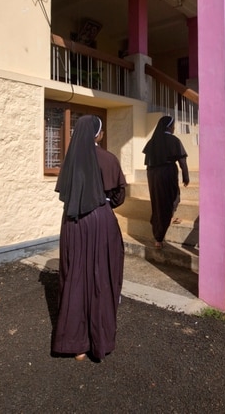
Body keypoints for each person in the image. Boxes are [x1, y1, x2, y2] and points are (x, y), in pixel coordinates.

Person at [52, 115, 125, 361]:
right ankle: (100, 341)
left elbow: (64, 193)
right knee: (101, 275)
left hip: (73, 222)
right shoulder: (109, 159)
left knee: (75, 276)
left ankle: (77, 345)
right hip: (101, 220)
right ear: (97, 134)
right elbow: (118, 196)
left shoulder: (70, 160)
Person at [142, 115, 190, 248]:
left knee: (157, 201)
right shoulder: (174, 140)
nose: (174, 128)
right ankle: (160, 236)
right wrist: (186, 177)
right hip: (167, 173)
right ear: (169, 127)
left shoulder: (152, 141)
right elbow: (182, 161)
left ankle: (160, 222)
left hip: (152, 174)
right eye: (173, 125)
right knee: (173, 198)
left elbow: (148, 161)